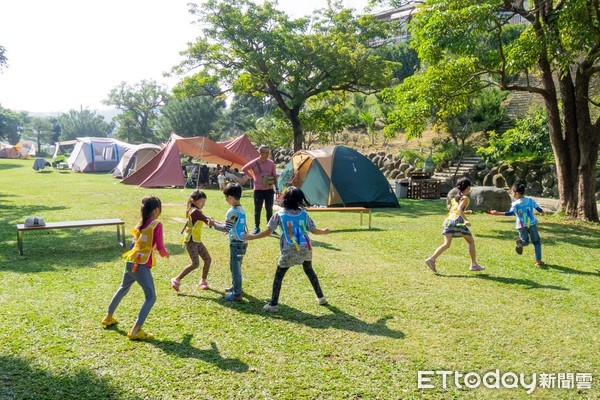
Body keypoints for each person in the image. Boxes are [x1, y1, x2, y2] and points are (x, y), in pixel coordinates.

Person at [243, 186, 330, 312]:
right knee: (309, 270)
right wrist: (324, 231)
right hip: (306, 246)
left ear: (285, 199)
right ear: (299, 199)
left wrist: (252, 237)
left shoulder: (279, 214)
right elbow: (314, 230)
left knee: (279, 275)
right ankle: (321, 297)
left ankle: (273, 304)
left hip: (289, 248)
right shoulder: (304, 214)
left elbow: (268, 231)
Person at [102, 195, 169, 340]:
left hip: (130, 262)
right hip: (141, 265)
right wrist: (165, 253)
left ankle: (108, 317)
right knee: (151, 297)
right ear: (156, 209)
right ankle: (135, 330)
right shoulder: (156, 225)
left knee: (123, 288)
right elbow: (161, 247)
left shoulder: (140, 224)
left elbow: (134, 244)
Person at [425, 178, 484, 273]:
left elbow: (455, 210)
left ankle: (431, 259)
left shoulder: (455, 199)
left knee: (446, 244)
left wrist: (466, 212)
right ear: (468, 187)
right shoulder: (465, 198)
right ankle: (474, 264)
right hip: (458, 222)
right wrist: (465, 220)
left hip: (448, 221)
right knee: (471, 242)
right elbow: (459, 210)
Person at [488, 181, 545, 265]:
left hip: (521, 225)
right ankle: (538, 261)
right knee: (536, 242)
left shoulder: (515, 204)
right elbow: (538, 208)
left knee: (525, 240)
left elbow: (510, 213)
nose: (512, 194)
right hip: (531, 223)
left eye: (512, 192)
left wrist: (497, 213)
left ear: (517, 193)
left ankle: (521, 243)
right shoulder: (530, 200)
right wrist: (542, 212)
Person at [209, 183, 248, 301]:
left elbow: (226, 228)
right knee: (235, 266)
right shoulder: (241, 209)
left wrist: (213, 224)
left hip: (236, 243)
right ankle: (236, 286)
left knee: (235, 268)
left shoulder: (232, 212)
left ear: (230, 197)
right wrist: (220, 224)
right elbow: (231, 225)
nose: (226, 200)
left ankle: (237, 294)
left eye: (226, 197)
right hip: (243, 242)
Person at [170, 190, 213, 293]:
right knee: (195, 263)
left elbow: (206, 219)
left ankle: (203, 281)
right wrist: (214, 223)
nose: (203, 204)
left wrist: (211, 222)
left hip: (196, 240)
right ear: (193, 201)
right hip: (190, 241)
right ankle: (176, 279)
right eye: (201, 201)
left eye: (204, 202)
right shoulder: (195, 212)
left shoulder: (194, 210)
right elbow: (206, 220)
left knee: (207, 259)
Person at [242, 145, 279, 234]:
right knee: (257, 209)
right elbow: (244, 168)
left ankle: (270, 228)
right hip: (258, 189)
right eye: (265, 152)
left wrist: (277, 188)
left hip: (269, 189)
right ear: (260, 153)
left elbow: (274, 176)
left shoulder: (271, 163)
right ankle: (257, 227)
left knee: (269, 208)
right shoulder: (254, 162)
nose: (267, 154)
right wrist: (252, 176)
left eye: (268, 152)